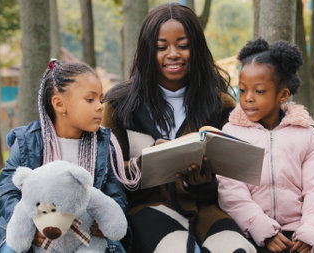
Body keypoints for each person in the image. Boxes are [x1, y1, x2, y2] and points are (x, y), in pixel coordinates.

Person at [103, 3, 256, 252]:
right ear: (146, 51)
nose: (173, 54)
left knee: (238, 249)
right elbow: (106, 174)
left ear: (195, 49)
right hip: (147, 211)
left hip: (206, 209)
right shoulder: (119, 105)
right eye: (161, 47)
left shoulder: (220, 105)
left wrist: (205, 184)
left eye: (183, 45)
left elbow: (237, 175)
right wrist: (145, 162)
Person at [0, 60, 128, 253]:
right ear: (60, 104)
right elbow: (8, 190)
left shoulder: (103, 144)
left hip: (85, 233)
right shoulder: (28, 140)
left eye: (100, 100)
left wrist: (103, 223)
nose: (100, 107)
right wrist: (32, 224)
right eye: (90, 100)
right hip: (36, 227)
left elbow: (115, 191)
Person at [217, 38, 314, 253]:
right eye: (243, 90)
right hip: (251, 233)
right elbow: (231, 193)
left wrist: (311, 234)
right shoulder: (231, 134)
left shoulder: (307, 136)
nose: (248, 99)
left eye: (259, 91)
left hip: (299, 237)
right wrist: (263, 230)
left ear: (282, 95)